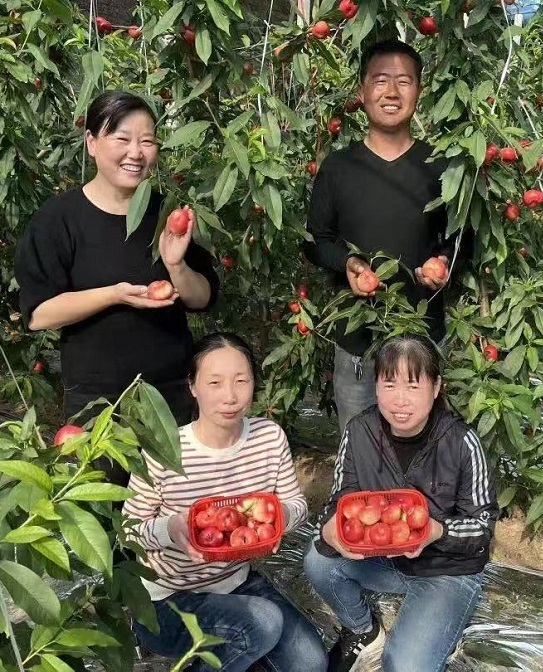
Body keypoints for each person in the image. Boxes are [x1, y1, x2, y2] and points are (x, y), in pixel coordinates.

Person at [15, 91, 219, 486]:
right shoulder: (59, 219)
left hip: (169, 397)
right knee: (102, 510)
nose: (136, 153)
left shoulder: (168, 212)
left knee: (172, 508)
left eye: (147, 141)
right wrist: (114, 294)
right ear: (91, 142)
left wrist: (176, 264)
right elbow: (38, 314)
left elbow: (202, 298)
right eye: (122, 139)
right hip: (97, 403)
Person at [123, 333, 327, 672]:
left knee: (310, 663)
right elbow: (128, 531)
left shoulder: (268, 438)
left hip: (236, 582)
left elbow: (297, 505)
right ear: (193, 386)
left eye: (241, 381)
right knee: (263, 623)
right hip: (168, 600)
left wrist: (279, 516)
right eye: (214, 383)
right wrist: (171, 528)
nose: (230, 396)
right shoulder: (165, 450)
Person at [303, 335, 497, 672]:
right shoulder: (360, 431)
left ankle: (439, 626)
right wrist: (332, 527)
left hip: (445, 569)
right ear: (376, 386)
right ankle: (363, 630)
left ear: (436, 388)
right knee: (319, 561)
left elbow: (482, 528)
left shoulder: (461, 441)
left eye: (413, 386)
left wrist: (436, 531)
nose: (400, 400)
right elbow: (340, 499)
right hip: (382, 557)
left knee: (404, 666)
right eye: (389, 385)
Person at [304, 39, 459, 433]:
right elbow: (316, 240)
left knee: (424, 453)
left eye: (404, 81)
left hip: (424, 345)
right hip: (357, 347)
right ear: (362, 90)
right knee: (360, 450)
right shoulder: (339, 168)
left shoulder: (441, 167)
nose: (391, 92)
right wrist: (348, 264)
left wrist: (442, 262)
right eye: (380, 80)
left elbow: (461, 239)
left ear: (419, 91)